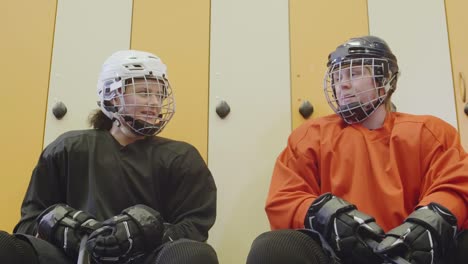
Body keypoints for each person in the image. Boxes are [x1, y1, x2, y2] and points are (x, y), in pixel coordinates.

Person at [246, 36, 468, 264]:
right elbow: (285, 198)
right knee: (272, 247)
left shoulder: (429, 132)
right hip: (338, 256)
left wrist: (430, 223)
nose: (341, 84)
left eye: (353, 73)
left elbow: (457, 186)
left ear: (385, 79)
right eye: (337, 76)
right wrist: (323, 215)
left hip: (417, 257)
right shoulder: (310, 137)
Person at [0, 50, 218, 264]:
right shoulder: (68, 148)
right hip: (72, 258)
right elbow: (27, 223)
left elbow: (194, 227)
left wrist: (150, 232)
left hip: (146, 258)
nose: (154, 102)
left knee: (196, 255)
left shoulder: (181, 157)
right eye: (144, 92)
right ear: (112, 95)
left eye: (159, 94)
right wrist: (56, 227)